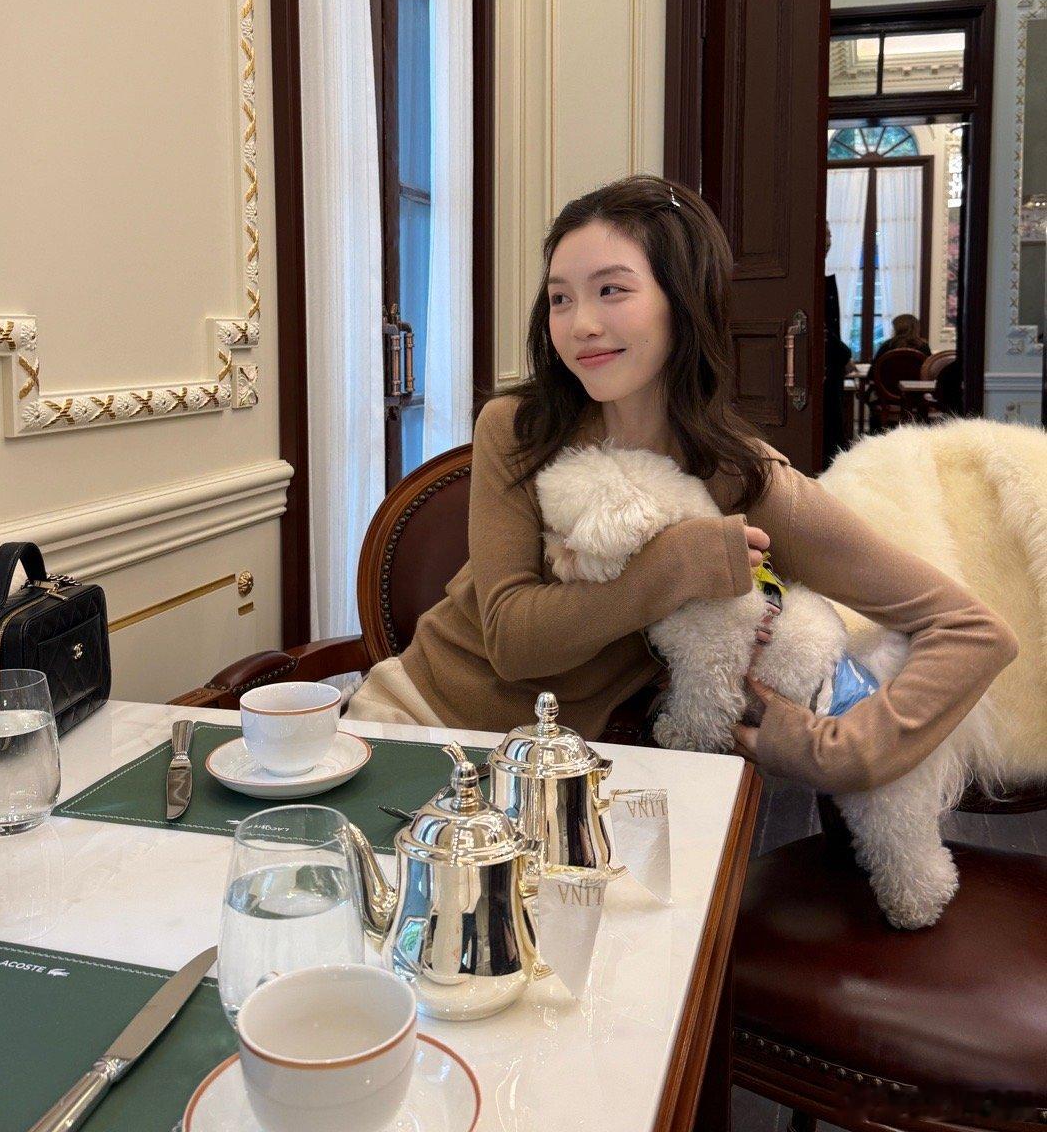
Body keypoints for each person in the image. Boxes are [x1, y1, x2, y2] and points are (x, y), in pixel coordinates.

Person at [347, 176, 1017, 794]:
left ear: (683, 300)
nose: (580, 324)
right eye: (560, 298)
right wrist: (670, 568)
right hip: (416, 719)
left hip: (557, 777)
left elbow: (971, 630)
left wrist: (846, 754)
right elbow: (512, 640)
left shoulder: (746, 479)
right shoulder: (519, 428)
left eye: (612, 290)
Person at [822, 221, 854, 468]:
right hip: (825, 367)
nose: (829, 240)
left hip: (832, 367)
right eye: (826, 234)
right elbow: (823, 331)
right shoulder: (810, 282)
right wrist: (845, 355)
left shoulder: (822, 279)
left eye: (831, 235)